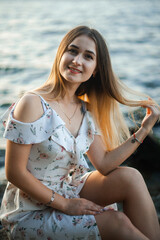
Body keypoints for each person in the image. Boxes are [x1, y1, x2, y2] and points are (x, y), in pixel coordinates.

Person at [0, 25, 160, 240]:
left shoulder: (86, 110)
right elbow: (14, 172)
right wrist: (66, 205)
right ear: (61, 54)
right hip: (30, 210)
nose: (77, 60)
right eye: (72, 51)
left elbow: (103, 163)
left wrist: (144, 129)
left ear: (95, 69)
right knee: (117, 221)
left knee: (130, 176)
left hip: (69, 189)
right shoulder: (32, 103)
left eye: (88, 56)